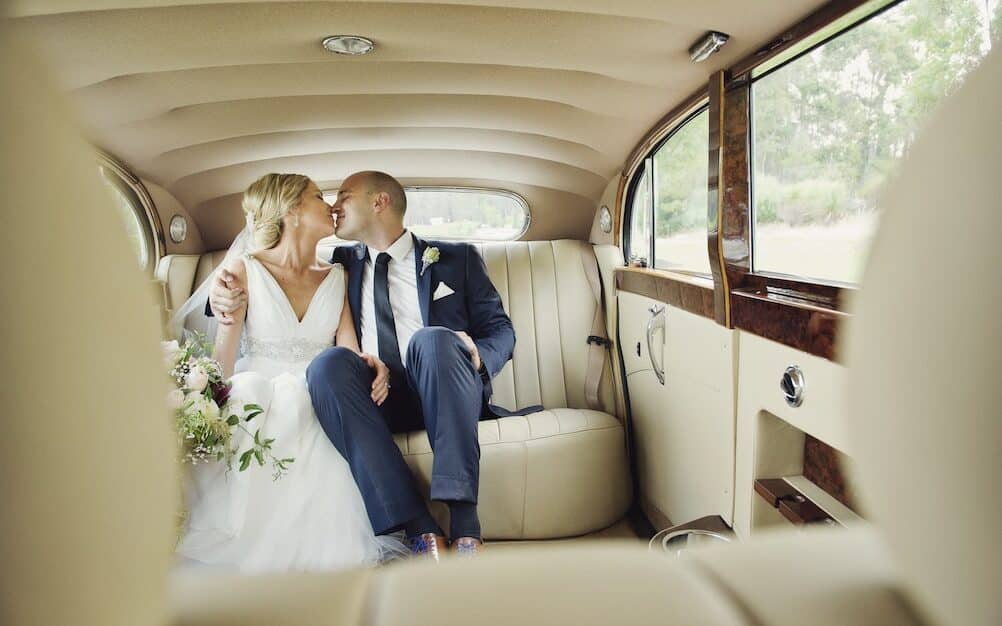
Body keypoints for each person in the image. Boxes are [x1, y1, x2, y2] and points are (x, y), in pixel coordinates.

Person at [210, 171, 532, 558]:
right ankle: (418, 526)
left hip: (445, 387)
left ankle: (465, 524)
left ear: (378, 202)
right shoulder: (343, 264)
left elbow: (500, 330)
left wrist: (477, 354)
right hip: (376, 400)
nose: (333, 205)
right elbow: (268, 272)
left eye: (343, 196)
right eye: (325, 198)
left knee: (431, 339)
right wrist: (220, 295)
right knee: (329, 365)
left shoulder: (457, 258)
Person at [175, 173, 404, 573]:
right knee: (252, 391)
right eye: (319, 197)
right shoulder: (242, 271)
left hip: (320, 391)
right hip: (255, 392)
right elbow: (223, 365)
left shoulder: (337, 276)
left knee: (309, 399)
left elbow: (348, 355)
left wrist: (374, 363)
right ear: (293, 210)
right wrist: (203, 399)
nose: (330, 205)